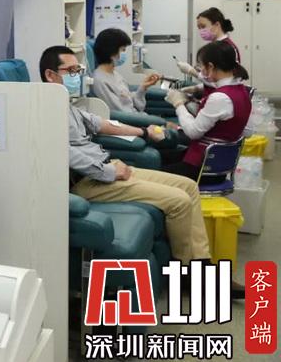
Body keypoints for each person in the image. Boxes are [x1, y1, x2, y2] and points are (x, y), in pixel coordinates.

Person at [39, 46, 212, 268]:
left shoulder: (66, 104)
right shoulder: (45, 111)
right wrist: (109, 171)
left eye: (78, 70)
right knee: (179, 201)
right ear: (50, 75)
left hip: (104, 167)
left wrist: (143, 132)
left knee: (189, 186)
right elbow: (65, 153)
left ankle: (202, 262)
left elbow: (100, 123)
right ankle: (186, 270)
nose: (78, 76)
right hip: (89, 180)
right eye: (71, 71)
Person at [164, 41, 252, 181]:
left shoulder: (220, 97)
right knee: (163, 157)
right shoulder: (242, 91)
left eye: (201, 66)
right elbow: (246, 131)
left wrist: (179, 104)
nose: (200, 71)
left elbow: (193, 132)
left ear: (210, 66)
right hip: (219, 163)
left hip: (203, 168)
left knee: (152, 171)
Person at [91, 28, 163, 115]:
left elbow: (135, 105)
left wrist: (143, 87)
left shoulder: (115, 74)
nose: (124, 54)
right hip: (131, 121)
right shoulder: (100, 81)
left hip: (138, 116)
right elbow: (121, 113)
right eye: (123, 50)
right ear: (111, 51)